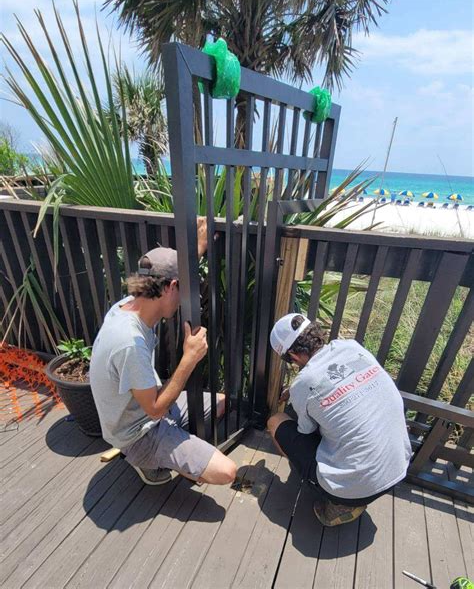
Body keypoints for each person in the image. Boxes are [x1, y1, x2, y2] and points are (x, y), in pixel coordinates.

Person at [90, 218, 237, 487]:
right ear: (170, 287)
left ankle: (174, 449)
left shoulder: (132, 304)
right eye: (182, 288)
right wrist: (189, 359)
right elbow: (156, 409)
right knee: (226, 472)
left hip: (141, 409)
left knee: (221, 402)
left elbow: (169, 274)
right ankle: (145, 460)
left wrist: (198, 248)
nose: (185, 297)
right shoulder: (129, 341)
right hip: (138, 433)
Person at [267, 313, 412, 527]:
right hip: (398, 468)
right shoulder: (352, 348)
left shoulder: (304, 382)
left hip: (355, 487)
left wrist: (298, 394)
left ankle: (339, 504)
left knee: (276, 421)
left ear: (294, 356)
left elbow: (305, 431)